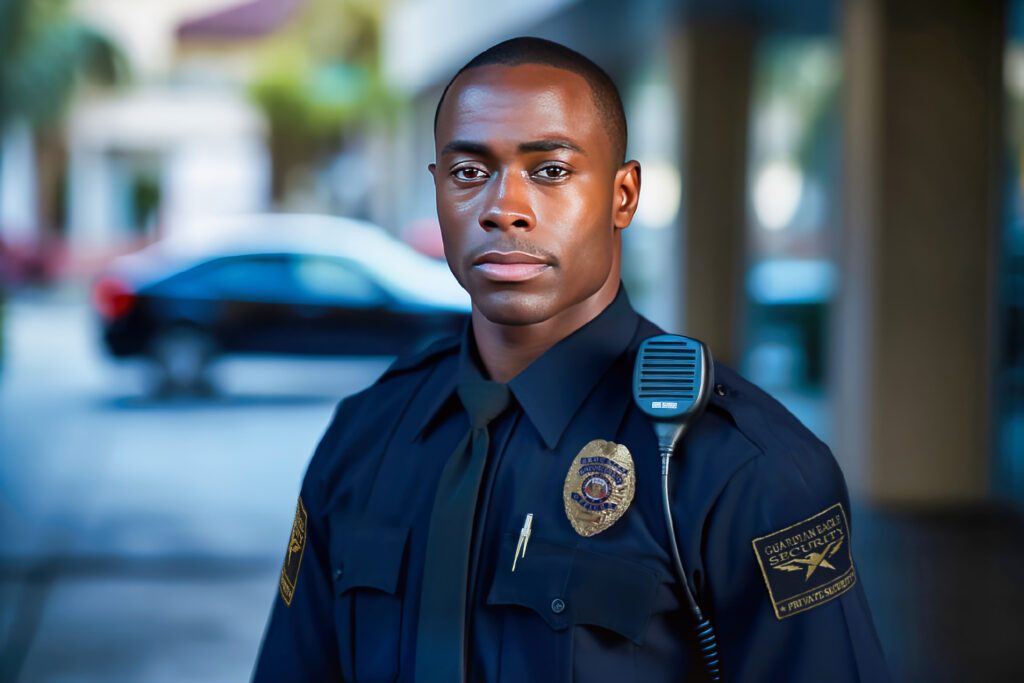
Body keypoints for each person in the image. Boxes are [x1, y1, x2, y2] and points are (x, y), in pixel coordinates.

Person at [253, 37, 889, 682]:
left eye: (551, 171)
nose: (503, 210)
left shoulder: (742, 465)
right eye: (468, 172)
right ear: (438, 188)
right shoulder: (365, 433)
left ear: (623, 195)